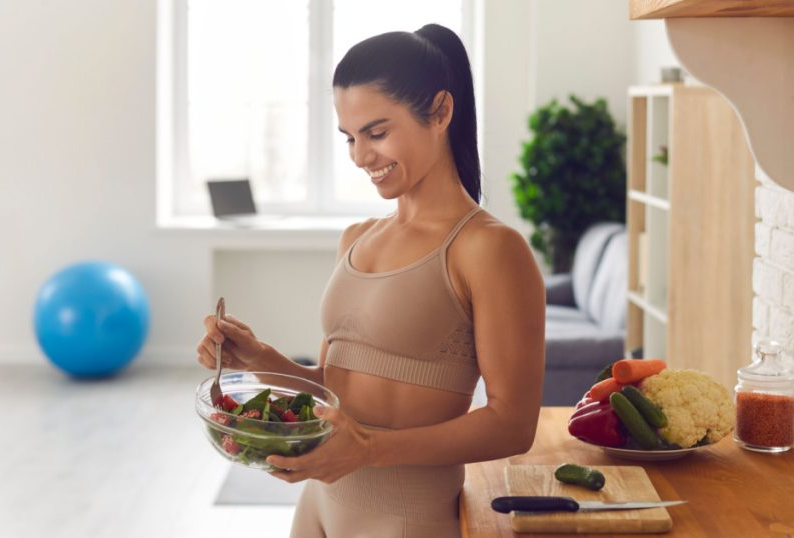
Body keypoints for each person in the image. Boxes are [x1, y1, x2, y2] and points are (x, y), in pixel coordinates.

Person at [196, 23, 545, 538]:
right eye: (350, 138)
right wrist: (260, 359)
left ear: (442, 112)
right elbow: (339, 392)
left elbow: (512, 424)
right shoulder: (357, 238)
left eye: (377, 133)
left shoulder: (488, 249)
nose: (361, 156)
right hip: (318, 505)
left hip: (407, 517)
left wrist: (368, 450)